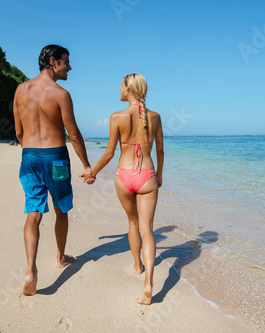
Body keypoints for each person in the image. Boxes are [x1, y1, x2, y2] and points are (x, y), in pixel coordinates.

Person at [13, 44, 94, 296]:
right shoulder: (60, 93)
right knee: (60, 209)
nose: (70, 67)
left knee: (33, 212)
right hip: (56, 158)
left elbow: (18, 132)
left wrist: (31, 151)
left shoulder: (20, 90)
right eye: (66, 62)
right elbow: (75, 135)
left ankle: (30, 270)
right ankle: (60, 257)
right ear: (52, 61)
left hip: (29, 157)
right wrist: (87, 165)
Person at [83, 73, 164, 305]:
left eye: (121, 85)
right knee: (147, 229)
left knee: (133, 223)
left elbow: (109, 153)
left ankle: (138, 266)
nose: (119, 89)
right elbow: (160, 151)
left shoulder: (117, 117)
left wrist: (92, 173)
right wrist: (159, 175)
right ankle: (148, 284)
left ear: (128, 88)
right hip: (147, 175)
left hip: (124, 175)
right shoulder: (156, 117)